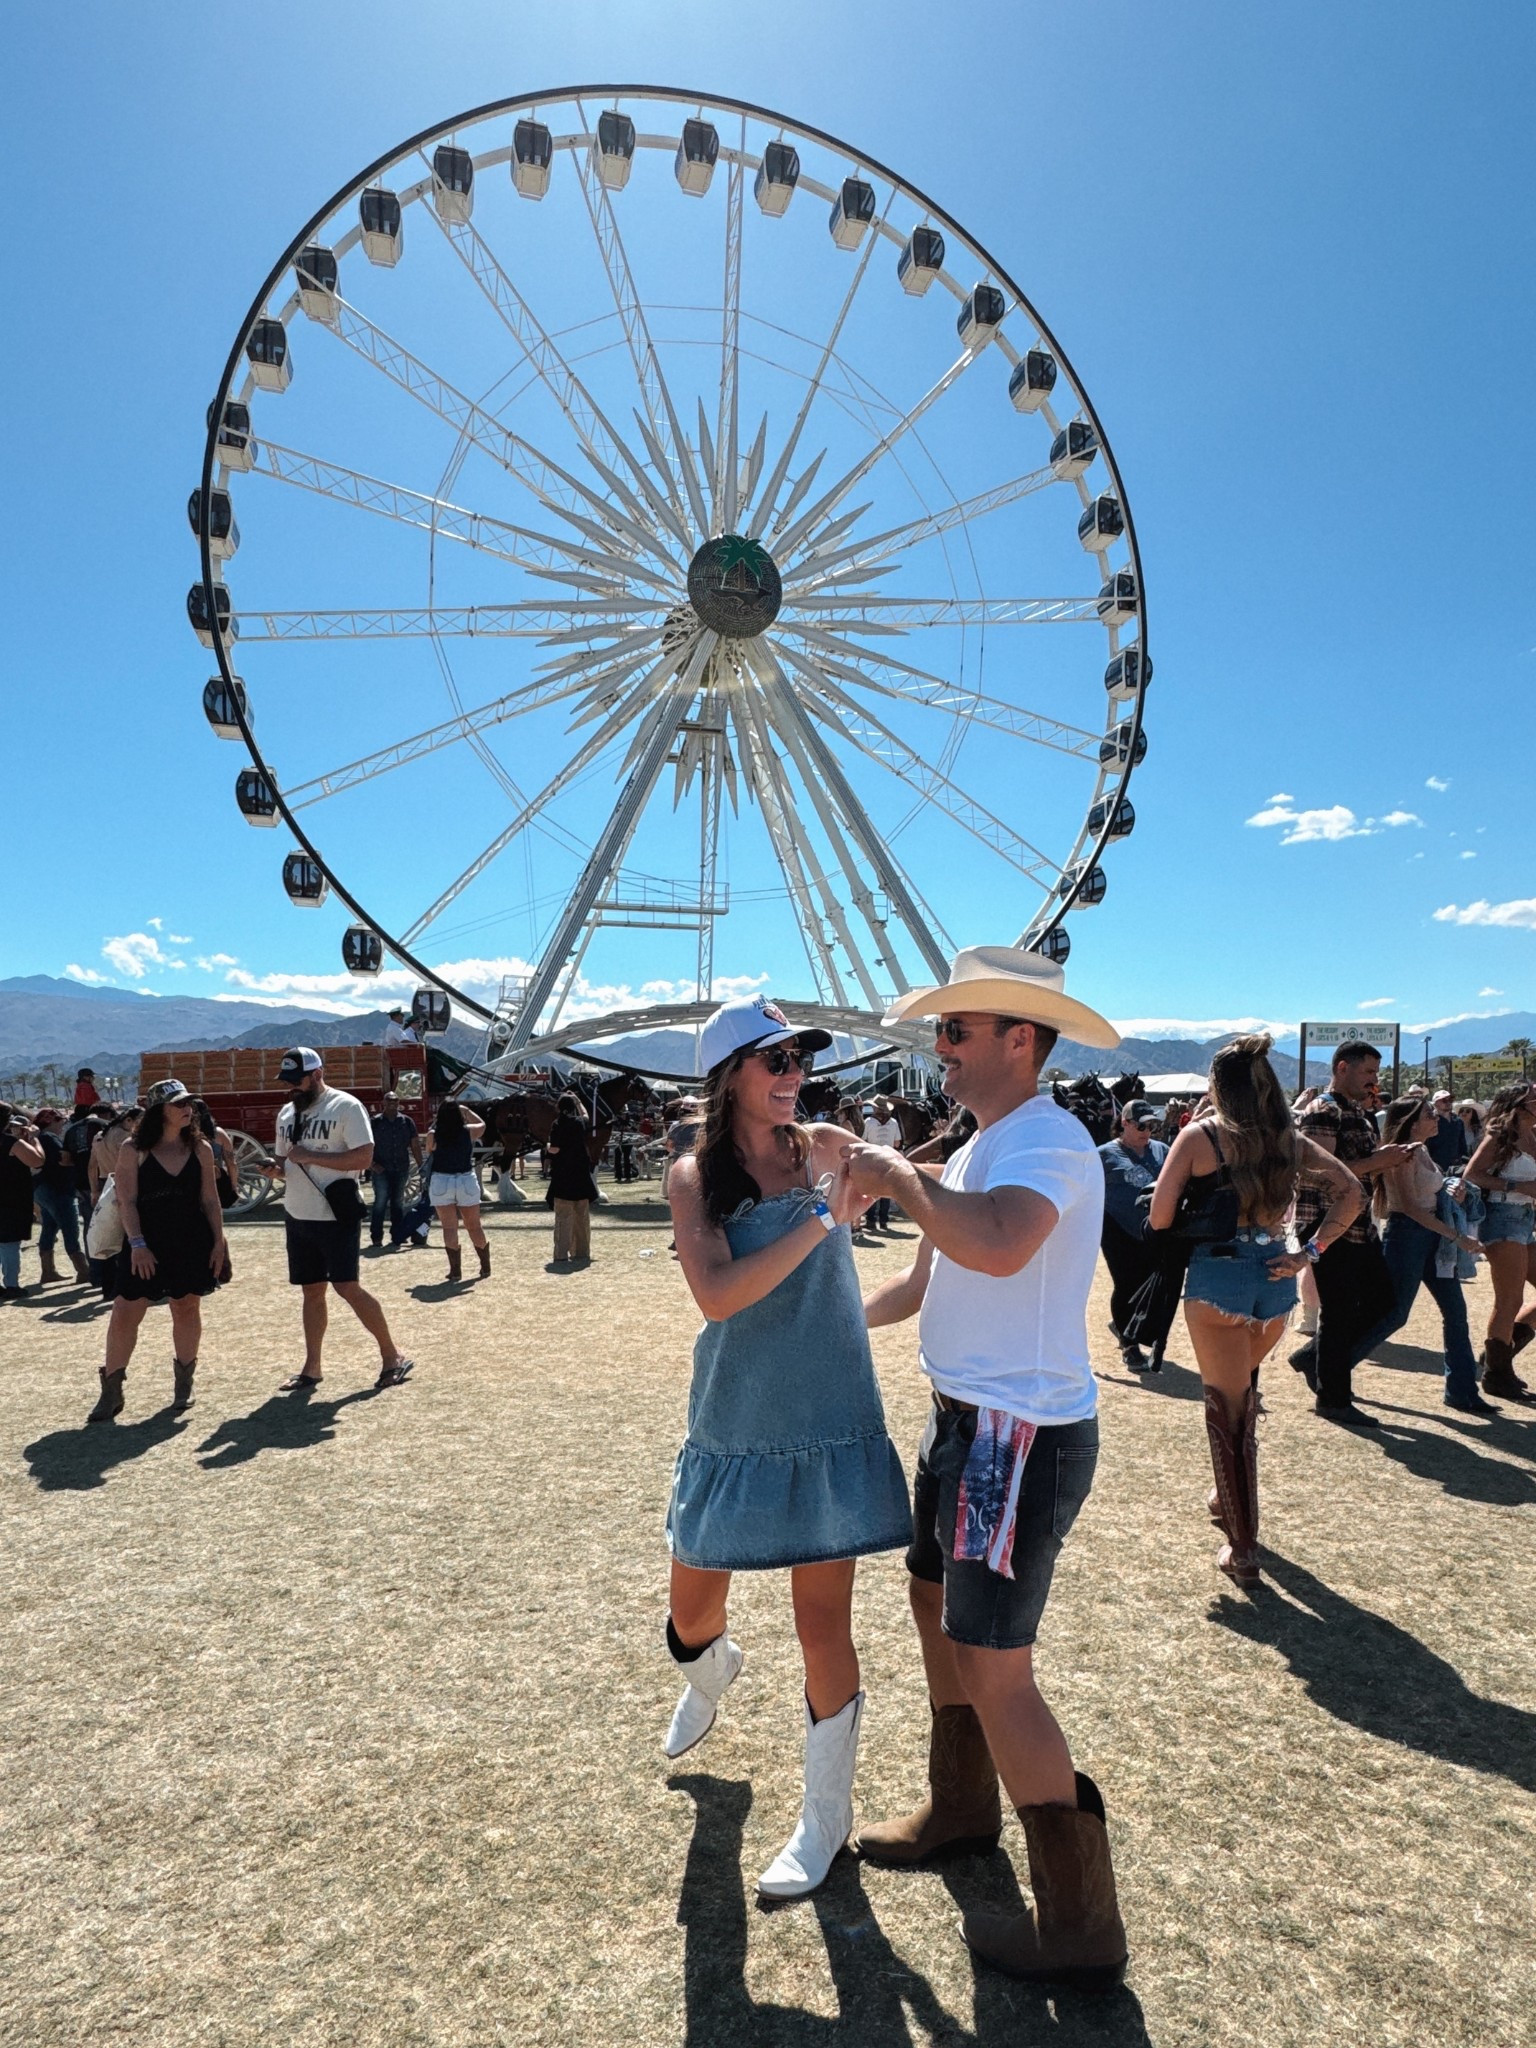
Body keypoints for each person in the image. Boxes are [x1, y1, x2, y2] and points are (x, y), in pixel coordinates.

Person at [841, 945, 1128, 1990]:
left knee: (998, 1666)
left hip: (1015, 1434)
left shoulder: (1047, 1142)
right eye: (940, 1029)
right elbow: (928, 1277)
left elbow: (1002, 1246)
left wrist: (895, 1173)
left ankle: (1081, 1923)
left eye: (955, 1030)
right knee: (934, 1607)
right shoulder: (982, 1144)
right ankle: (962, 1810)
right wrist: (819, 1315)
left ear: (1022, 1038)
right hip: (968, 1423)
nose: (940, 1047)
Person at [664, 994, 910, 1901]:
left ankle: (825, 1820)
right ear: (730, 1076)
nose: (792, 1075)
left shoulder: (830, 1147)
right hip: (736, 1418)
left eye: (799, 1059)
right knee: (690, 1614)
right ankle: (712, 1668)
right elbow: (719, 1296)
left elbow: (922, 1181)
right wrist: (822, 1220)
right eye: (773, 1061)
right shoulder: (695, 1176)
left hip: (829, 1416)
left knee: (823, 1626)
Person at [1148, 1039, 1362, 1585]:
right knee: (1239, 1396)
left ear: (1219, 1086)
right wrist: (1309, 1252)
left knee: (1228, 1412)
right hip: (1275, 1278)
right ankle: (1228, 1498)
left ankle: (1243, 1548)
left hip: (1219, 1278)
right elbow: (1352, 1192)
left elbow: (1160, 1216)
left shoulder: (1201, 1137)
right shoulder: (1287, 1139)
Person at [269, 1048, 413, 1392]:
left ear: (318, 1074)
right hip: (298, 1214)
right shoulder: (286, 1114)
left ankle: (393, 1356)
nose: (292, 1088)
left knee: (347, 1287)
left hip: (336, 1214)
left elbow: (364, 1157)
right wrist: (274, 1171)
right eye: (288, 1081)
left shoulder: (346, 1107)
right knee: (311, 1292)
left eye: (297, 1080)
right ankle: (312, 1368)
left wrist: (312, 1156)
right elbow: (286, 1165)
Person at [1289, 1042, 1415, 1426]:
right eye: (1368, 1073)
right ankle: (1332, 1397)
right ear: (1343, 1068)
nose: (1374, 1081)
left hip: (1356, 1223)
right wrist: (1381, 1160)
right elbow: (1324, 1171)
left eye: (1376, 1074)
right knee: (1340, 1311)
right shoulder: (1323, 1111)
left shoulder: (1357, 1113)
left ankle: (1315, 1361)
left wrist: (1385, 1159)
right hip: (1326, 1222)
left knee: (1381, 1304)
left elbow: (1356, 1169)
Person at [87, 1079, 226, 1422]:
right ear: (157, 1111)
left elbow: (210, 1199)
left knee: (186, 1306)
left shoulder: (201, 1148)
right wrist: (137, 1244)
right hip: (145, 1241)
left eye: (188, 1104)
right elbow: (126, 1200)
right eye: (178, 1104)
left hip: (191, 1240)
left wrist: (219, 1242)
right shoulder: (133, 1150)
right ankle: (112, 1389)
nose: (187, 1109)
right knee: (125, 1310)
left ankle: (184, 1384)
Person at [1373, 1096, 1492, 1414]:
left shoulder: (1422, 1150)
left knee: (1456, 1313)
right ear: (1413, 1124)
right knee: (1394, 1316)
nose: (1439, 1117)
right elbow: (1410, 1208)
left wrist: (1453, 1189)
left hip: (1432, 1239)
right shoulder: (1403, 1155)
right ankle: (1325, 1364)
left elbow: (1429, 1193)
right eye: (1430, 1114)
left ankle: (1462, 1390)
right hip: (1408, 1238)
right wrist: (1457, 1236)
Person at [1463, 1081, 1536, 1400]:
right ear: (1520, 1105)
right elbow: (1471, 1175)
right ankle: (1496, 1374)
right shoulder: (1499, 1134)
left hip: (1526, 1219)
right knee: (1510, 1299)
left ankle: (1497, 1358)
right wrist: (1515, 1186)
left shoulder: (1533, 1134)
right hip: (1502, 1216)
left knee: (1513, 1299)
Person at [1096, 1098, 1170, 1372]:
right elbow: (1085, 1188)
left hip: (1155, 1230)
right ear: (1125, 1123)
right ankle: (1129, 1345)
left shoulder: (1162, 1150)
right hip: (1116, 1229)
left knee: (1152, 1286)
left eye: (1152, 1125)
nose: (1147, 1130)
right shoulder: (1103, 1155)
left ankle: (1124, 1326)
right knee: (1126, 1284)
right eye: (1141, 1125)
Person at [428, 1097, 489, 1280]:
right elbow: (482, 1125)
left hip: (442, 1179)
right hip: (465, 1179)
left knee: (449, 1227)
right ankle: (485, 1266)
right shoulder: (467, 1131)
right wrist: (467, 1111)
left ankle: (455, 1270)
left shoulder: (434, 1133)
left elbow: (430, 1149)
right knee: (474, 1226)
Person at [31, 1106, 91, 1284]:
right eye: (60, 1121)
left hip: (41, 1188)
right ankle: (83, 1270)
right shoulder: (49, 1138)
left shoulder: (39, 1138)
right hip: (57, 1189)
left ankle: (48, 1271)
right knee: (70, 1227)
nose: (63, 1124)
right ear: (51, 1121)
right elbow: (63, 1160)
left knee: (49, 1226)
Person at [546, 1091, 598, 1264]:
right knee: (582, 1217)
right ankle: (581, 1252)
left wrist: (547, 1146)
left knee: (563, 1217)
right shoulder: (579, 1123)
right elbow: (585, 1115)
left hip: (563, 1176)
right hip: (581, 1175)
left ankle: (561, 1254)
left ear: (559, 1107)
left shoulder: (556, 1124)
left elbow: (554, 1149)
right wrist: (577, 1100)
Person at [369, 1090, 423, 1249]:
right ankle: (376, 1237)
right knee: (380, 1203)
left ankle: (398, 1235)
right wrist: (371, 1164)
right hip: (381, 1169)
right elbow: (366, 1145)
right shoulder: (375, 1122)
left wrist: (421, 1166)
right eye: (389, 1101)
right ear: (383, 1103)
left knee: (398, 1204)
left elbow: (415, 1145)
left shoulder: (407, 1122)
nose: (392, 1104)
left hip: (401, 1167)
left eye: (395, 1101)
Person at [0, 1105, 44, 1299]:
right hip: (10, 1199)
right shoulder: (10, 1143)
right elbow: (37, 1161)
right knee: (10, 1243)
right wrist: (33, 1138)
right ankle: (11, 1284)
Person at [861, 1097, 905, 1229]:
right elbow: (897, 1142)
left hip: (873, 1159)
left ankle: (871, 1220)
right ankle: (884, 1220)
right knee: (886, 1191)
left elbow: (863, 1140)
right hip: (888, 1158)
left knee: (872, 1190)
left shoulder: (868, 1122)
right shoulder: (893, 1122)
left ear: (875, 1108)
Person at [1424, 1090, 1470, 1174]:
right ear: (1435, 1103)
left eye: (1450, 1100)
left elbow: (1462, 1145)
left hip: (1456, 1168)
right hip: (1435, 1168)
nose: (1448, 1102)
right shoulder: (1430, 1122)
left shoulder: (1458, 1121)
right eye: (1444, 1100)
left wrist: (1465, 1163)